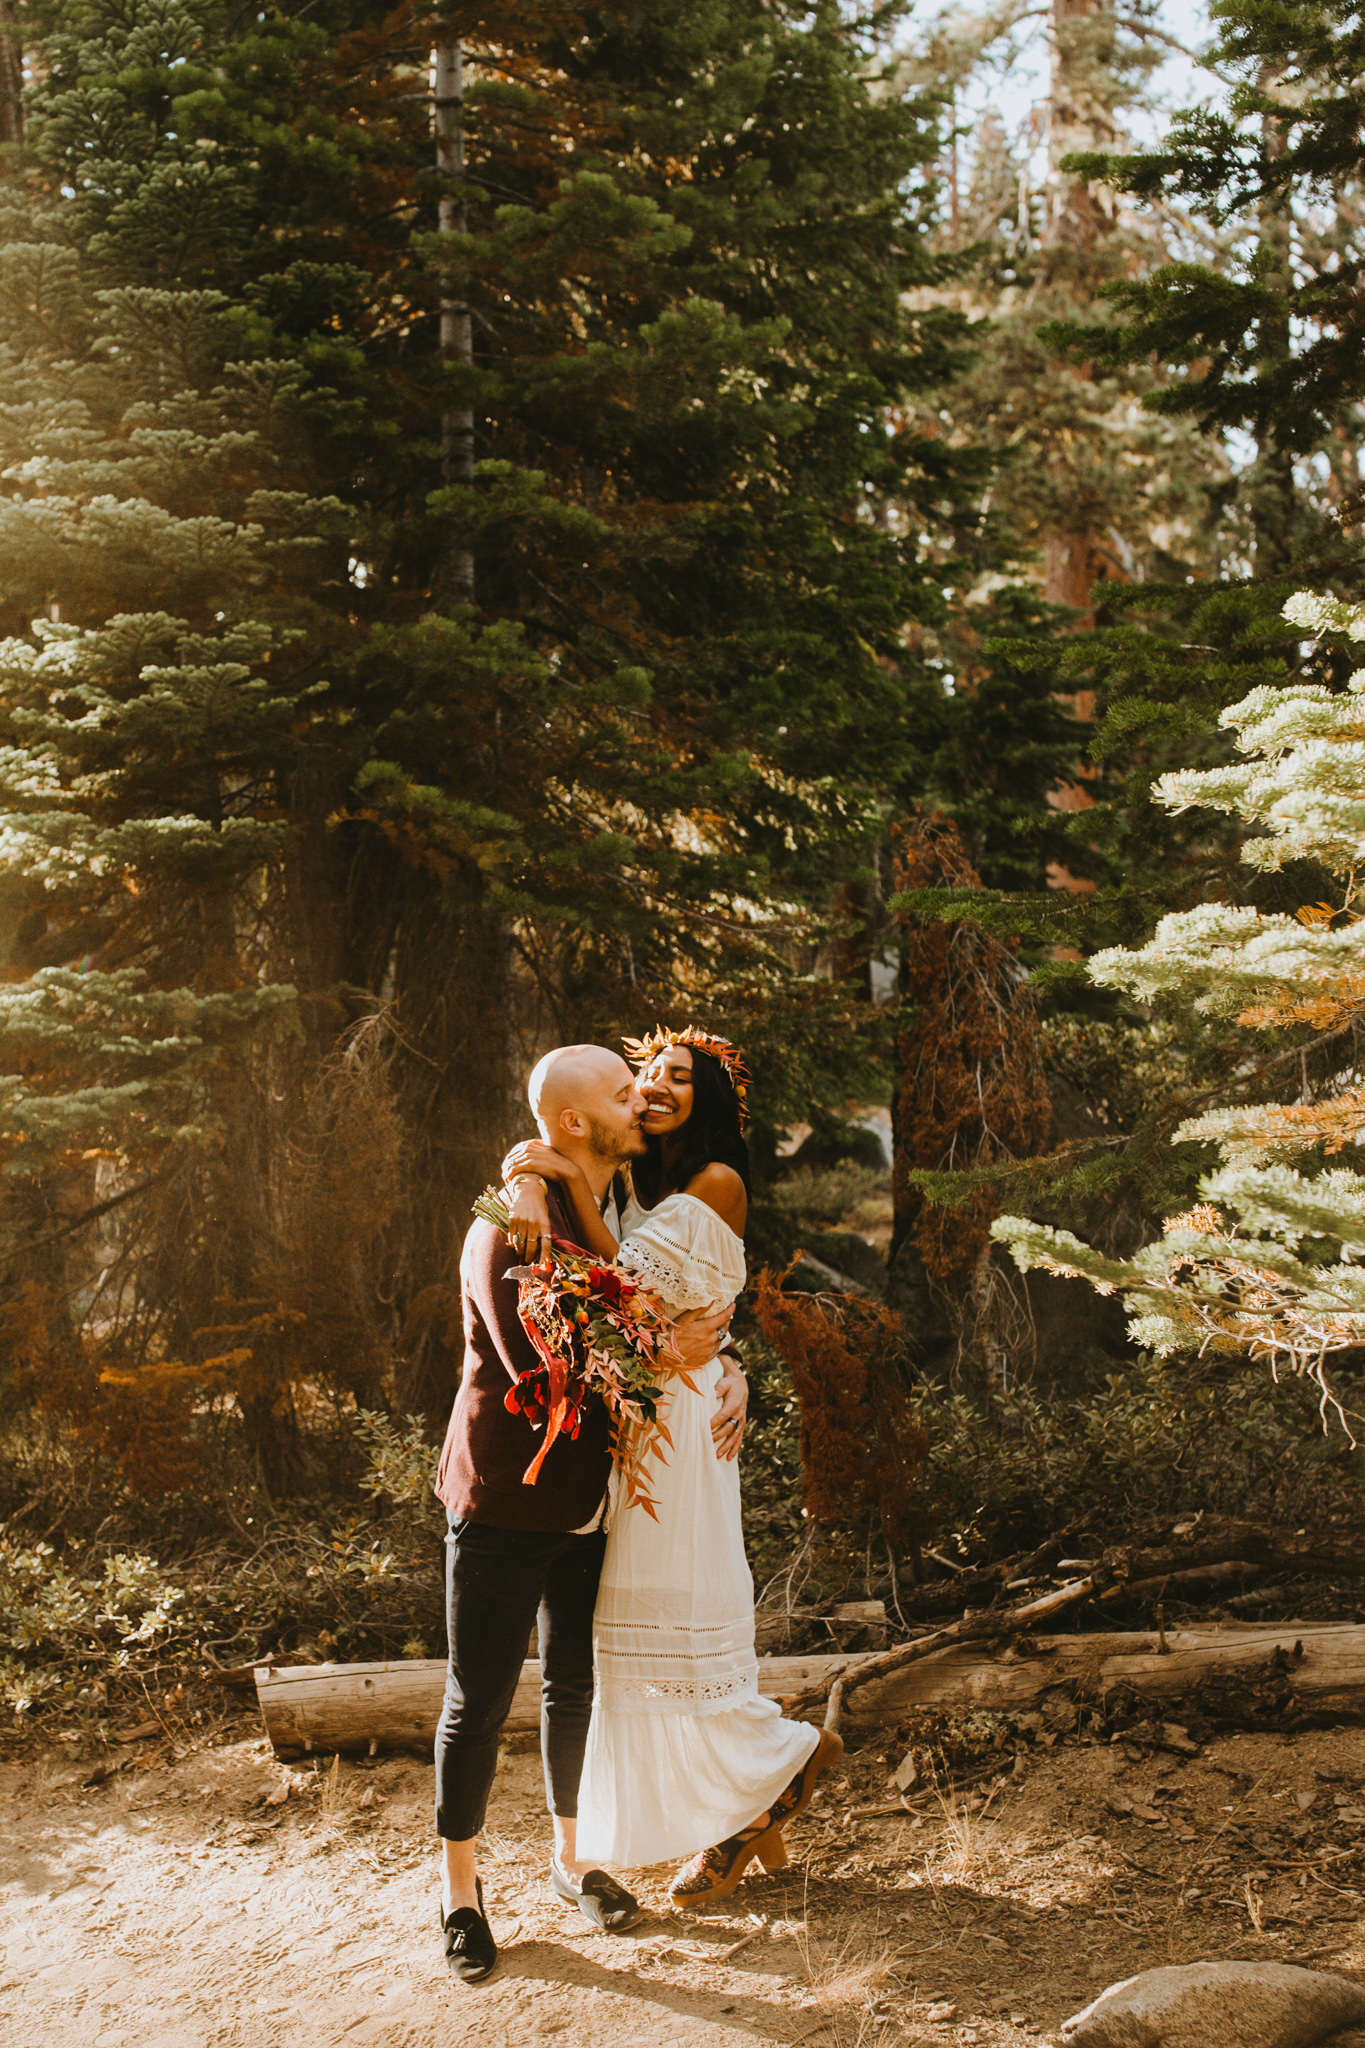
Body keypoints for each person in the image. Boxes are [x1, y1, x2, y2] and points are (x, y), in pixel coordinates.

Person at [502, 1025, 842, 1911]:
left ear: (711, 1102)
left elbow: (626, 1304)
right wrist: (525, 1173)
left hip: (678, 1434)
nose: (653, 1087)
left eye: (677, 1078)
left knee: (680, 1616)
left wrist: (716, 1363)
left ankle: (777, 1769)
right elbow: (638, 1302)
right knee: (631, 1634)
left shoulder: (714, 1182)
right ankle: (741, 1802)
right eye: (644, 1074)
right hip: (637, 1426)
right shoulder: (630, 1182)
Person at [432, 1043, 747, 1983]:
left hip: (597, 1498)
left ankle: (575, 1860)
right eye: (623, 1091)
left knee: (574, 1685)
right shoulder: (511, 1229)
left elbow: (670, 1300)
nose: (643, 1097)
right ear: (574, 1124)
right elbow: (555, 1374)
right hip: (507, 1498)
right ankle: (459, 1895)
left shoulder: (600, 1205)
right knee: (479, 1698)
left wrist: (723, 1366)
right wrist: (679, 1351)